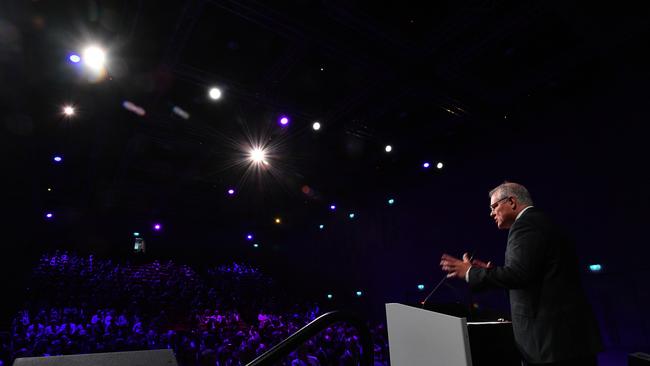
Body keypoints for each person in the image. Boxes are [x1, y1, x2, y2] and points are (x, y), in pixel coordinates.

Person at [440, 182, 602, 366]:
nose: (491, 213)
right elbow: (532, 274)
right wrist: (491, 272)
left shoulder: (525, 225)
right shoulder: (540, 221)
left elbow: (518, 274)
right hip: (567, 341)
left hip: (553, 345)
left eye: (494, 207)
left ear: (512, 202)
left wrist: (470, 272)